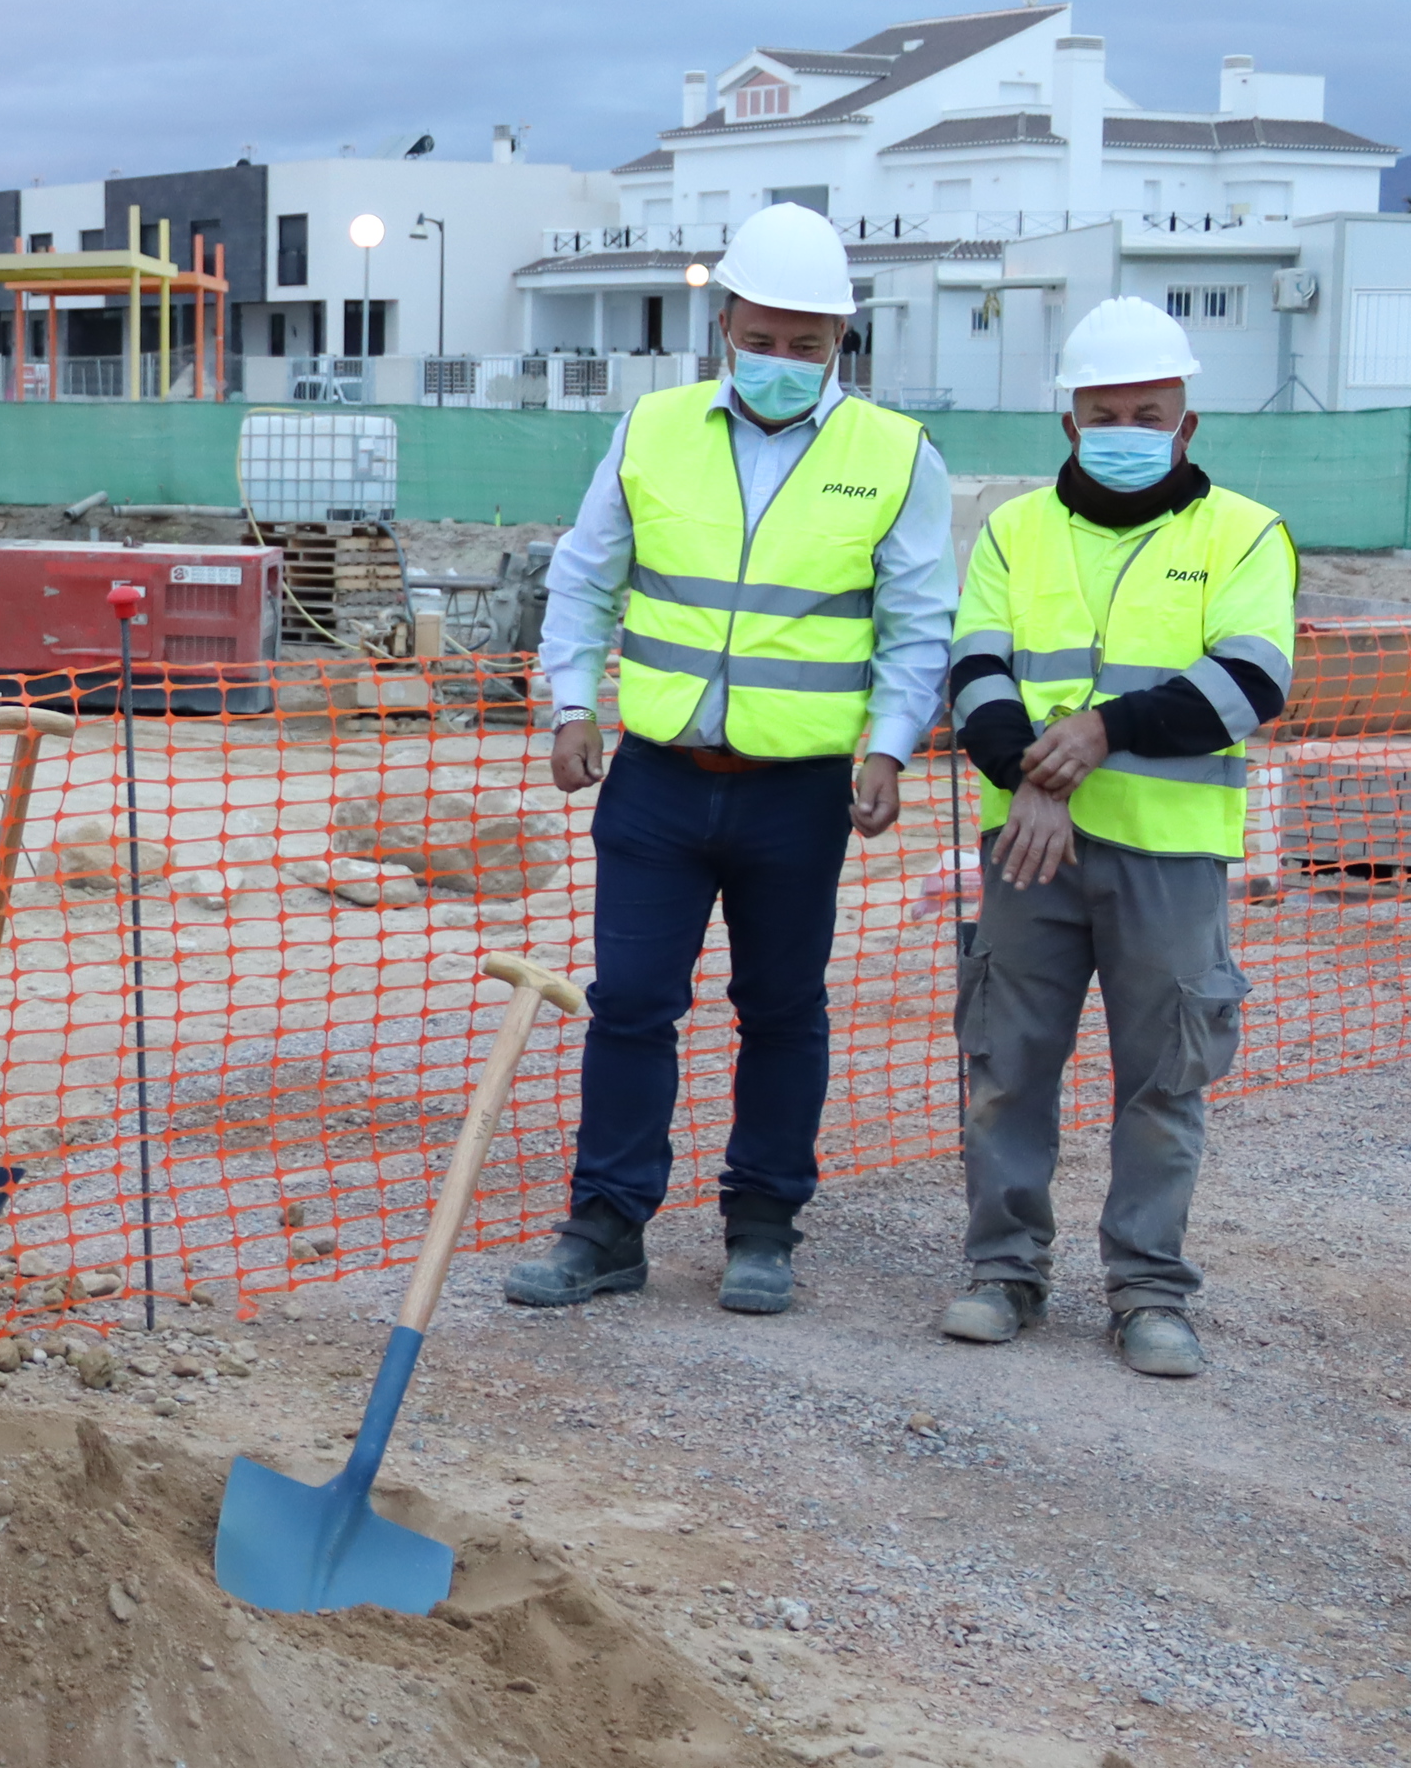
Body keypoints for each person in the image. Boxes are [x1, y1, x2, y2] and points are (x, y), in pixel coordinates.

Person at [512, 202, 956, 1317]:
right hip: (658, 782)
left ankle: (763, 1229)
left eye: (810, 345)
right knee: (630, 1006)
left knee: (784, 1008)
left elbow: (917, 622)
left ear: (841, 344)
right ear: (726, 325)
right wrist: (573, 703)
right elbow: (585, 575)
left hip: (798, 796)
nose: (785, 360)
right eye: (766, 337)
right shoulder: (653, 429)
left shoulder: (895, 454)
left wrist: (891, 749)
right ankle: (605, 1227)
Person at [938, 298, 1293, 1380]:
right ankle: (1003, 1272)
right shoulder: (1014, 528)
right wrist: (1027, 779)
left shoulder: (1244, 531)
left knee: (1164, 1080)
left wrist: (1099, 736)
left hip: (1168, 856)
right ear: (1070, 421)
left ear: (1187, 422)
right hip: (1028, 851)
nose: (1126, 426)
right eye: (1105, 410)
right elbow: (977, 673)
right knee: (1005, 1066)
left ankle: (1148, 1291)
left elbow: (1250, 682)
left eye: (1149, 409)